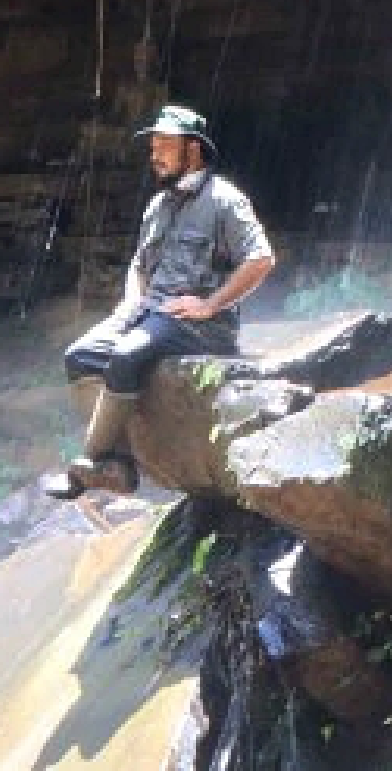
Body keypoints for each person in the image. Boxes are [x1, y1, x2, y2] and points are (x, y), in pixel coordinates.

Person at [44, 105, 276, 499]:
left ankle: (86, 465)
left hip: (199, 327)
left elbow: (261, 258)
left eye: (164, 146)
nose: (155, 156)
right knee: (80, 355)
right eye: (153, 147)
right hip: (150, 315)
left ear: (193, 149)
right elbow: (139, 265)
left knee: (127, 354)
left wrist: (212, 304)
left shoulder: (224, 200)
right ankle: (118, 464)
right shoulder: (158, 206)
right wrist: (130, 303)